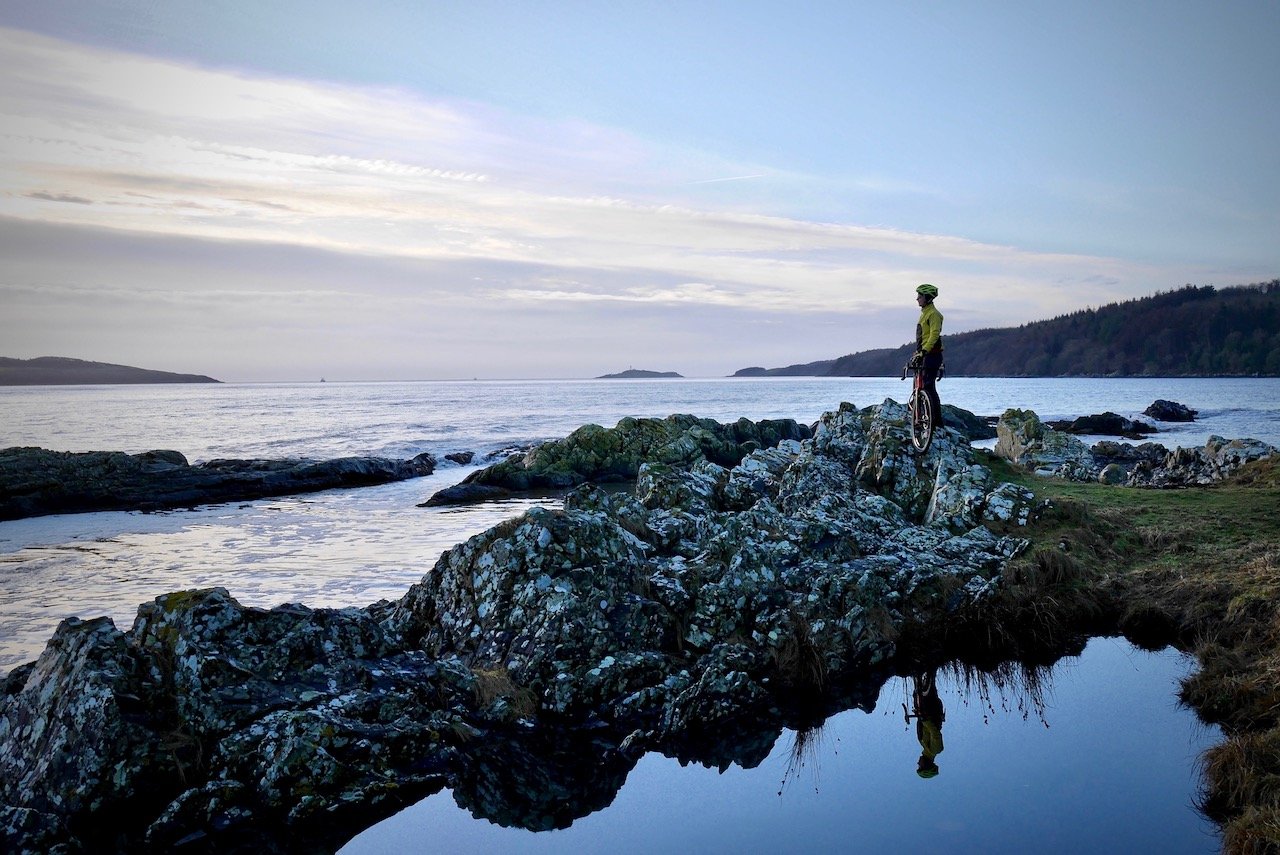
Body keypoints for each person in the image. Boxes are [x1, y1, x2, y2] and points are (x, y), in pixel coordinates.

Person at [910, 283, 944, 426]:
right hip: (924, 354)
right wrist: (918, 353)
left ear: (927, 298)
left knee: (929, 387)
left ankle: (936, 422)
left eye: (920, 296)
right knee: (920, 386)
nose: (917, 298)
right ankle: (922, 416)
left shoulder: (934, 314)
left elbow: (934, 335)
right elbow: (923, 336)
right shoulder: (925, 314)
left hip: (931, 355)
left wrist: (925, 351)